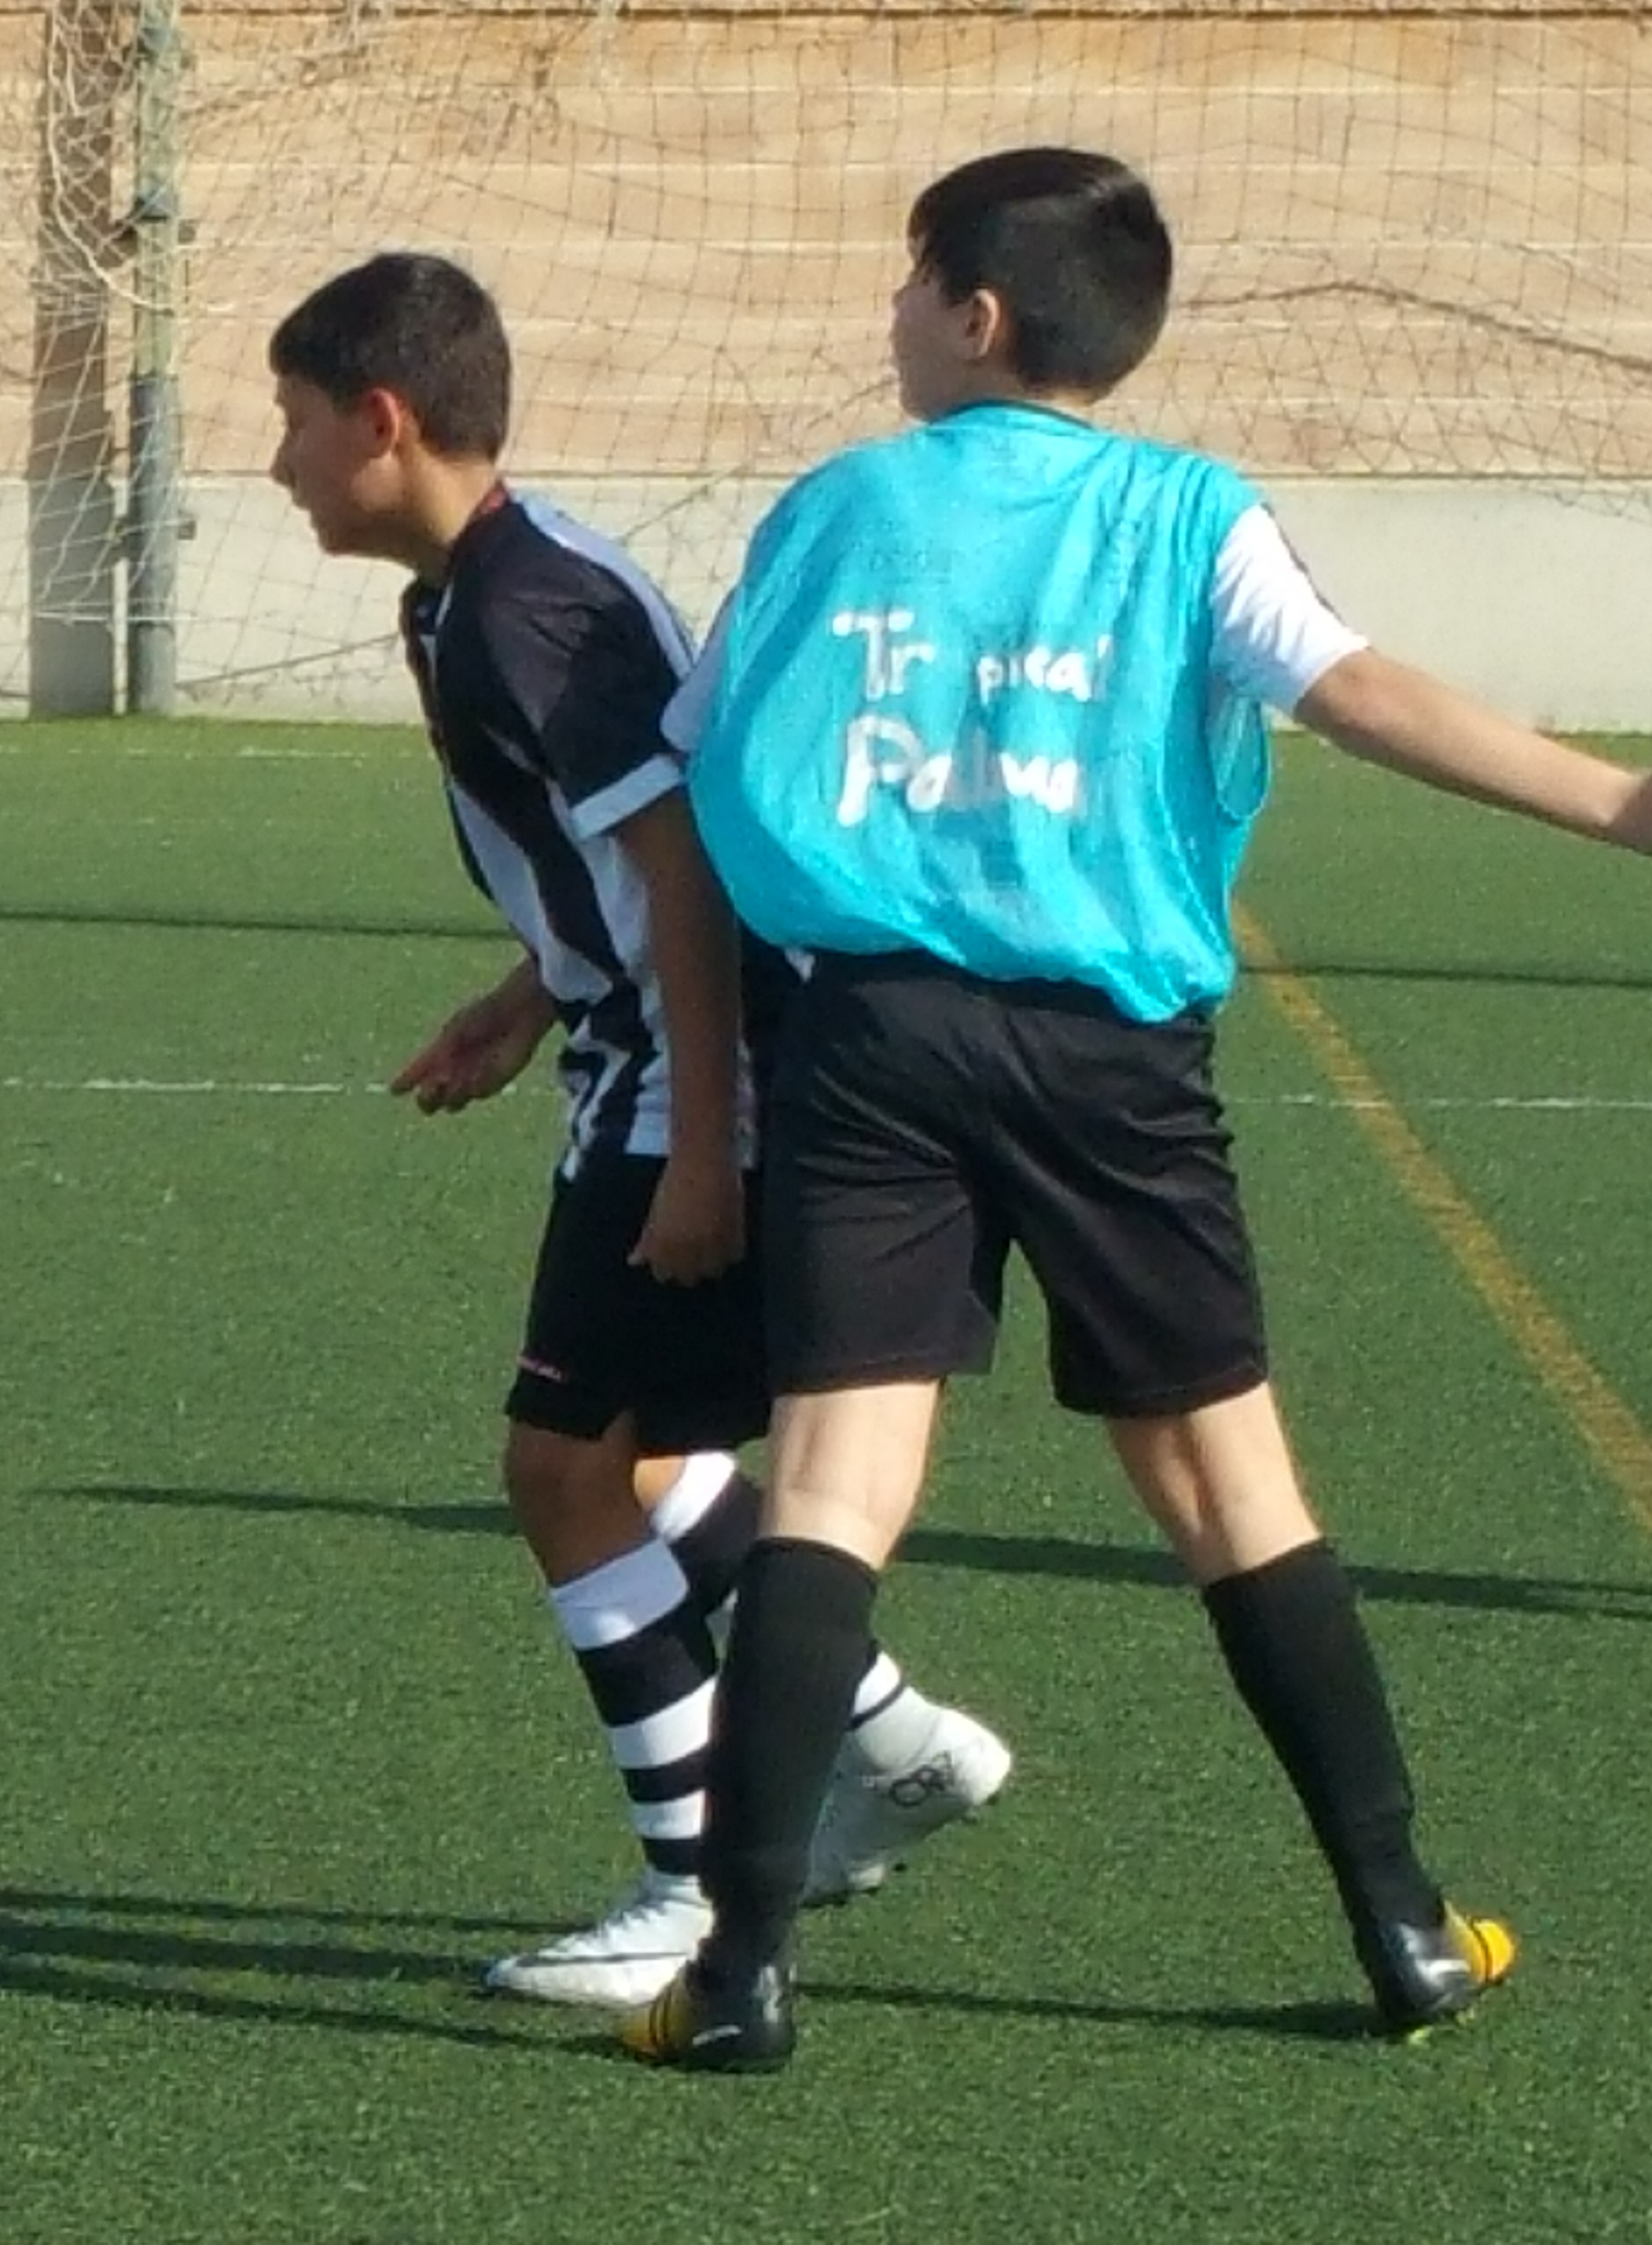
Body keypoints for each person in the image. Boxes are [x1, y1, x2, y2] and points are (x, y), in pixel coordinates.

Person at [621, 147, 1635, 2071]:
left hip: (870, 1038)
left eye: (909, 282)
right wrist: (1618, 804)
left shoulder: (831, 508)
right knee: (1230, 1489)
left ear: (974, 314)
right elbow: (1353, 692)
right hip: (1112, 1062)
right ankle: (1404, 1926)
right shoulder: (1188, 514)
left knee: (831, 1486)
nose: (891, 316)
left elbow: (701, 765)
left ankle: (738, 1970)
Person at [265, 253, 1010, 2008]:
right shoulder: (474, 592)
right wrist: (524, 991)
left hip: (693, 1071)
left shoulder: (524, 611)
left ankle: (691, 1886)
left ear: (381, 421)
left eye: (291, 422)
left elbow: (682, 864)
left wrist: (694, 1145)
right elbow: (607, 858)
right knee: (643, 1455)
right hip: (644, 1051)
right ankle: (893, 1743)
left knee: (559, 1471)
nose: (276, 460)